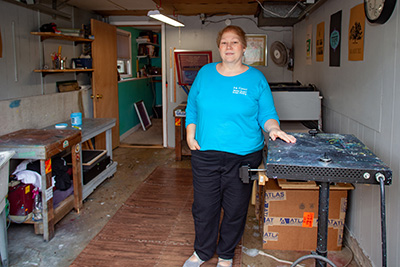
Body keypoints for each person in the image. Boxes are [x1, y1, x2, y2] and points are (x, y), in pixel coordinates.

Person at [182, 25, 296, 267]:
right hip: (205, 154)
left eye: (234, 42)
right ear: (219, 47)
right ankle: (202, 252)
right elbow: (192, 107)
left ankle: (225, 255)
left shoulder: (256, 78)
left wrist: (273, 129)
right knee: (204, 207)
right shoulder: (205, 73)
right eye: (224, 42)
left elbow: (267, 113)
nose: (229, 47)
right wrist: (190, 134)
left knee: (235, 209)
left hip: (243, 157)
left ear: (244, 48)